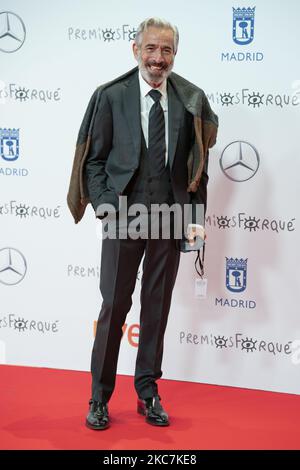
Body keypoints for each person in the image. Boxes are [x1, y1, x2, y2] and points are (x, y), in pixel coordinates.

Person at [67, 17, 218, 430]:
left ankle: (148, 391)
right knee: (114, 307)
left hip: (170, 218)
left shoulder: (189, 100)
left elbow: (196, 168)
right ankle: (99, 397)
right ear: (136, 50)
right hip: (121, 217)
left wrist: (195, 219)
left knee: (157, 309)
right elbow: (94, 160)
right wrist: (102, 205)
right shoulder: (112, 97)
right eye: (151, 48)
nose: (158, 58)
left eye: (166, 50)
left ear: (175, 54)